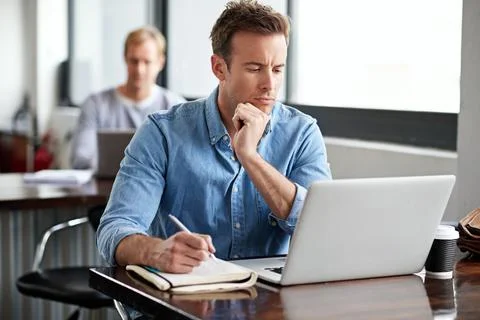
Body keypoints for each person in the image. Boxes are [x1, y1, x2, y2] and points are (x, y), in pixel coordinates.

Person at [97, 0, 331, 275]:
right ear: (219, 68)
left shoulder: (302, 133)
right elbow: (114, 230)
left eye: (277, 69)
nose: (270, 84)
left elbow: (322, 230)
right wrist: (156, 251)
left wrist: (250, 158)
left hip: (272, 304)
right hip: (184, 301)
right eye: (255, 68)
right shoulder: (161, 133)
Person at [70, 26, 185, 170]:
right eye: (134, 61)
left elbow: (185, 161)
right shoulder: (95, 104)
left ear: (160, 63)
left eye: (147, 62)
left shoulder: (176, 107)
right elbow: (81, 158)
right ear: (125, 58)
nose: (139, 70)